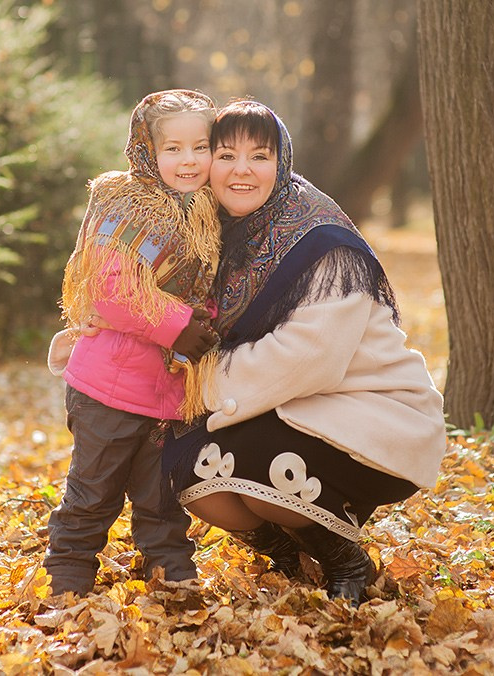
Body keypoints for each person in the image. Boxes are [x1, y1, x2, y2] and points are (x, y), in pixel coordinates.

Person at [163, 100, 447, 604]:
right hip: (298, 407)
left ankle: (345, 560)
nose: (242, 170)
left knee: (252, 461)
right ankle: (289, 557)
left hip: (374, 414)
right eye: (226, 155)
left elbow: (307, 359)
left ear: (283, 162)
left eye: (260, 156)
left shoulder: (322, 241)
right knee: (183, 463)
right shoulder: (220, 235)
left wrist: (197, 385)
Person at [42, 89, 221, 596]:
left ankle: (174, 576)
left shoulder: (206, 214)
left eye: (201, 147)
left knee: (163, 500)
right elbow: (112, 289)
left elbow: (207, 288)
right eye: (173, 149)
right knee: (93, 494)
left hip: (168, 394)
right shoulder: (127, 204)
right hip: (108, 389)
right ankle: (69, 579)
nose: (189, 160)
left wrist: (205, 324)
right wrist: (180, 326)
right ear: (147, 149)